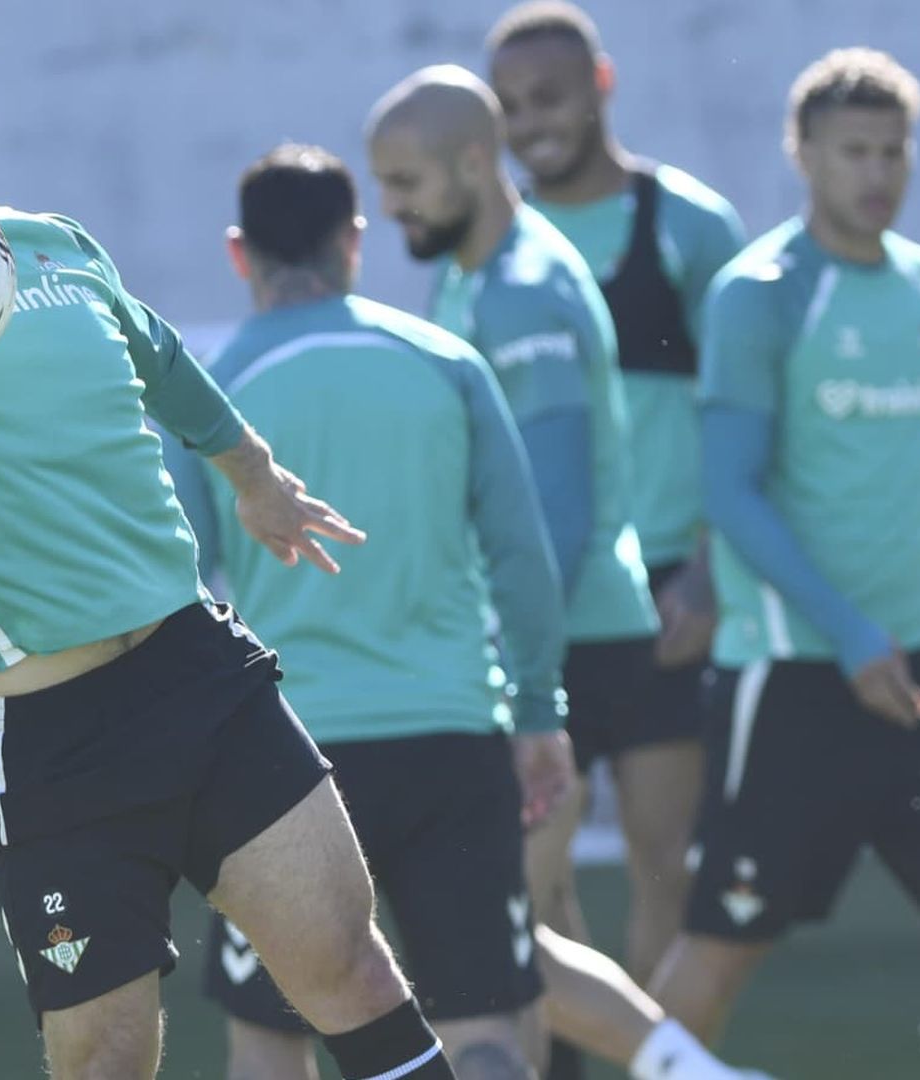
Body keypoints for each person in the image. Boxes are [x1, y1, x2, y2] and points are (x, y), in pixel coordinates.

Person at [0, 4, 457, 1078]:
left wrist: (256, 477)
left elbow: (163, 359)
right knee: (104, 1058)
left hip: (200, 671)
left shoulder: (50, 242)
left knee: (351, 971)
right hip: (45, 733)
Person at [183, 143, 771, 1080]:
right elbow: (524, 562)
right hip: (452, 738)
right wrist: (538, 714)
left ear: (237, 252)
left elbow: (183, 585)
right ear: (354, 241)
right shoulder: (445, 361)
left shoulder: (205, 397)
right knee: (486, 1014)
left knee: (273, 1027)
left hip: (286, 758)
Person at [648, 48, 920, 1080]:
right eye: (854, 151)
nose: (877, 173)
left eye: (894, 151)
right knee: (724, 943)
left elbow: (901, 482)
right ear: (802, 154)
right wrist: (849, 632)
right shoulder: (757, 296)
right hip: (800, 669)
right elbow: (732, 493)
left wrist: (903, 619)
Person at [367, 64, 660, 1080]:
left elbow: (557, 513)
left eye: (406, 181)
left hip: (567, 634)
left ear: (475, 161)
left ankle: (693, 1066)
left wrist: (504, 660)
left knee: (504, 945)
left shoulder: (526, 289)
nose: (390, 205)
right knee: (531, 927)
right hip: (558, 633)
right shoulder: (474, 275)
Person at [485, 0, 747, 993]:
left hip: (668, 599)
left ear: (601, 86)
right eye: (509, 106)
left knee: (662, 868)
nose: (531, 121)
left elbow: (749, 412)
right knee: (531, 882)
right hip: (544, 597)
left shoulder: (688, 223)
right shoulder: (491, 249)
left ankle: (660, 1060)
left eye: (549, 96)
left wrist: (715, 573)